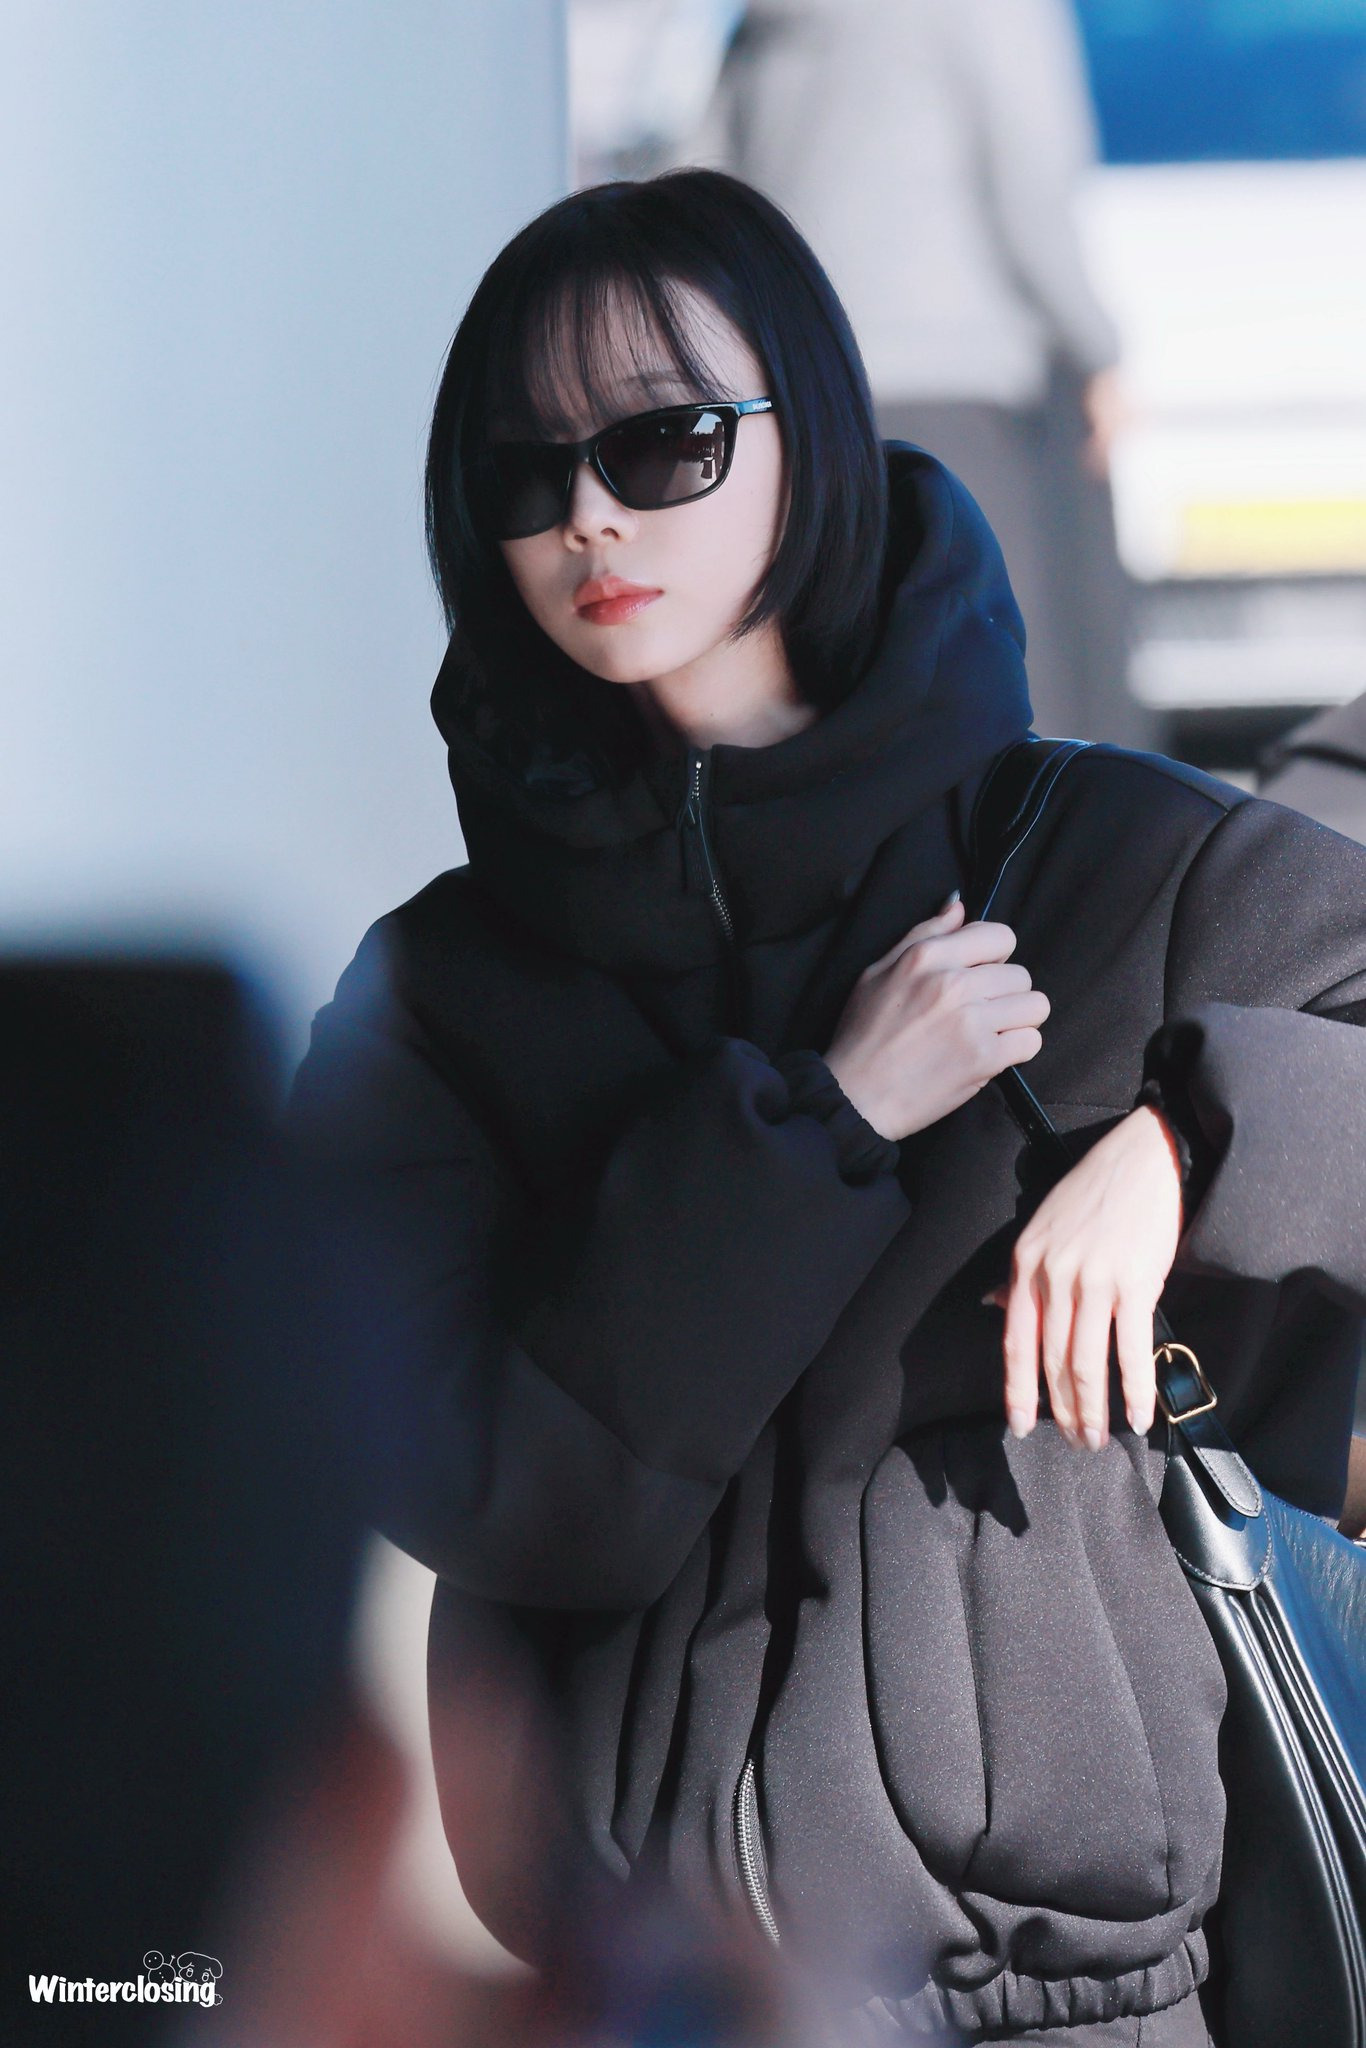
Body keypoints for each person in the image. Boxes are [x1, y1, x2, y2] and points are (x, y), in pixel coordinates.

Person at [288, 171, 1366, 2045]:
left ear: (811, 435)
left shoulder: (1094, 857)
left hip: (1088, 2004)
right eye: (527, 472)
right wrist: (830, 1116)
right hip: (652, 2000)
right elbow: (481, 1484)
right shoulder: (439, 1003)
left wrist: (1193, 1141)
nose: (590, 515)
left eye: (664, 442)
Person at [682, 0, 1144, 747]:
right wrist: (1098, 349)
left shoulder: (766, 20)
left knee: (846, 689)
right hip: (957, 386)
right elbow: (1032, 183)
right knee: (999, 686)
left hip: (804, 393)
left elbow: (707, 191)